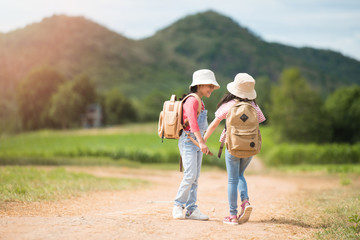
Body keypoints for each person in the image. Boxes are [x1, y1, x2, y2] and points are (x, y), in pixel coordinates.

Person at [204, 73, 266, 225]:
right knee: (240, 175)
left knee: (232, 179)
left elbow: (213, 125)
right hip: (250, 147)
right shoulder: (254, 106)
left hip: (232, 146)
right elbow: (260, 121)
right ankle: (245, 202)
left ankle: (232, 216)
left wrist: (202, 140)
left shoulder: (228, 105)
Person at [172, 69, 220, 220]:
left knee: (195, 177)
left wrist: (201, 142)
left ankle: (191, 209)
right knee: (190, 175)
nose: (211, 89)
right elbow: (192, 123)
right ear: (199, 85)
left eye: (212, 86)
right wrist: (201, 141)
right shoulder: (192, 100)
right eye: (209, 86)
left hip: (195, 142)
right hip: (189, 142)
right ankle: (178, 205)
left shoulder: (200, 101)